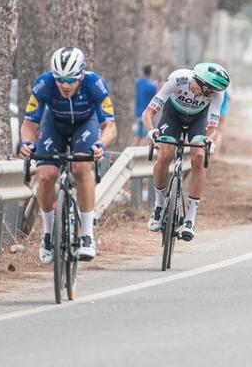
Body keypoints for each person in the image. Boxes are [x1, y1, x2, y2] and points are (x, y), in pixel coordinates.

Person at [20, 47, 117, 263]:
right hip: (54, 125)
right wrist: (27, 143)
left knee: (81, 168)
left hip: (85, 125)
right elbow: (28, 125)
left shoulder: (95, 84)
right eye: (60, 79)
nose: (65, 85)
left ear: (81, 75)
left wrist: (101, 144)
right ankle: (48, 233)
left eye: (71, 80)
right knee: (45, 175)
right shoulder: (44, 84)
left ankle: (87, 237)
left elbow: (110, 126)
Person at [141, 62, 231, 240]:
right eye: (209, 90)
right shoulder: (177, 79)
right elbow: (148, 112)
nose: (211, 94)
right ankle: (159, 206)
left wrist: (208, 139)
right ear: (201, 83)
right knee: (166, 153)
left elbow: (213, 127)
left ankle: (190, 218)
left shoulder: (218, 94)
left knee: (199, 156)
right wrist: (151, 130)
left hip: (198, 119)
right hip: (173, 115)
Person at [135, 65, 157, 144]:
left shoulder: (138, 82)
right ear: (150, 72)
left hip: (138, 114)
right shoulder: (152, 86)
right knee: (144, 138)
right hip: (147, 115)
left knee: (137, 136)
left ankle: (133, 153)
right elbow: (156, 97)